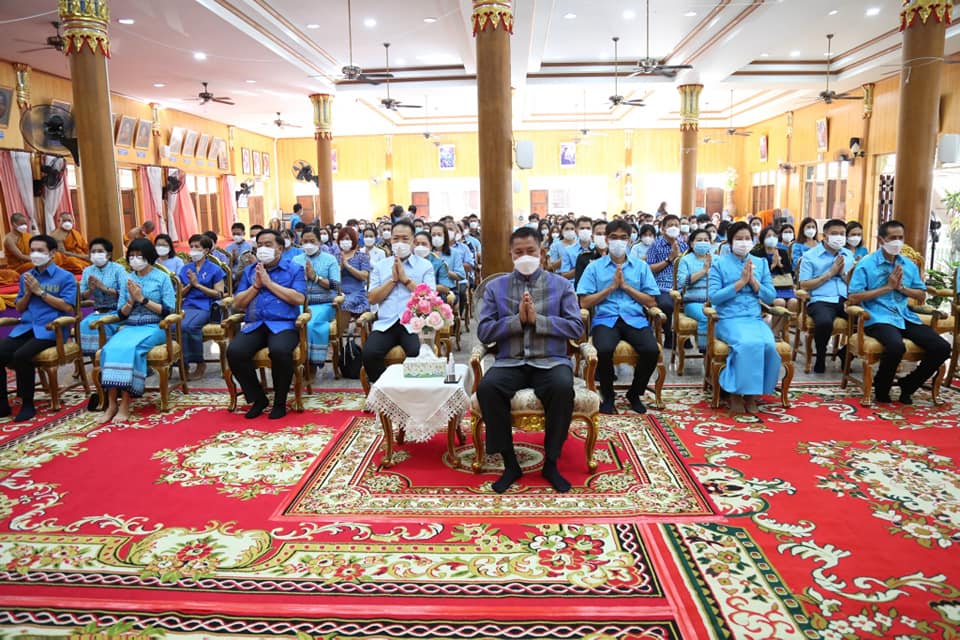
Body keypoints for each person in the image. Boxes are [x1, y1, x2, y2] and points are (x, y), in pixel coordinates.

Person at [476, 227, 585, 493]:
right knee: (488, 388)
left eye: (531, 251)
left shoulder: (561, 286)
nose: (525, 257)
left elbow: (576, 328)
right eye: (519, 252)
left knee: (562, 387)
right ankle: (510, 463)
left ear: (542, 253)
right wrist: (517, 321)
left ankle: (551, 462)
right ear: (511, 255)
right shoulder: (495, 288)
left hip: (550, 360)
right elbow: (484, 332)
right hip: (510, 361)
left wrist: (539, 321)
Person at [847, 220, 950, 404]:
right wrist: (887, 288)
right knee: (896, 346)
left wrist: (902, 288)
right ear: (881, 240)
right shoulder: (866, 264)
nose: (897, 242)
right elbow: (853, 297)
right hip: (877, 317)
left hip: (904, 315)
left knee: (942, 347)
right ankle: (882, 388)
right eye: (892, 238)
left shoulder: (908, 265)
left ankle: (909, 384)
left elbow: (921, 294)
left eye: (900, 238)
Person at [577, 220, 660, 414]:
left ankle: (634, 393)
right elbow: (584, 302)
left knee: (651, 350)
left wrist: (626, 287)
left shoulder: (641, 267)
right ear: (606, 239)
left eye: (623, 238)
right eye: (614, 237)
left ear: (630, 241)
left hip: (634, 318)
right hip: (606, 319)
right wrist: (611, 288)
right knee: (604, 349)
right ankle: (608, 395)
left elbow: (651, 301)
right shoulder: (594, 268)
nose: (618, 242)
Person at [226, 229, 307, 419]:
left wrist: (269, 283)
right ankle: (258, 398)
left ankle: (280, 402)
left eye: (268, 245)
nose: (263, 248)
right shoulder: (250, 271)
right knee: (235, 351)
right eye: (260, 245)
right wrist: (256, 286)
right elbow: (238, 303)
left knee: (279, 351)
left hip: (284, 324)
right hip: (255, 323)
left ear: (280, 248)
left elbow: (298, 298)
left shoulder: (294, 269)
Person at [98, 239, 177, 423]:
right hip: (131, 325)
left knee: (130, 350)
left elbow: (169, 311)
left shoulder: (162, 278)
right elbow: (120, 314)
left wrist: (142, 299)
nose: (134, 259)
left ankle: (125, 403)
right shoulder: (127, 279)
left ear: (148, 256)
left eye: (139, 256)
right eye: (131, 256)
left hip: (155, 326)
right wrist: (131, 302)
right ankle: (112, 404)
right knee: (109, 349)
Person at [0, 235, 76, 421]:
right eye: (32, 250)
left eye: (40, 250)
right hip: (26, 327)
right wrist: (27, 293)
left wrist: (40, 292)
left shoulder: (65, 277)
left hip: (50, 330)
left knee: (21, 356)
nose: (35, 254)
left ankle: (27, 404)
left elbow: (67, 307)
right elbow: (19, 308)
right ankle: (2, 404)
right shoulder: (26, 276)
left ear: (52, 253)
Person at [707, 221, 781, 414]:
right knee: (747, 344)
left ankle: (752, 395)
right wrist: (740, 283)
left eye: (747, 238)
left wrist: (754, 282)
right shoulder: (719, 264)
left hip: (754, 318)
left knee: (769, 346)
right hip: (729, 318)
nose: (743, 242)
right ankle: (735, 393)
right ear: (730, 242)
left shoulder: (761, 263)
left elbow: (770, 297)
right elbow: (714, 297)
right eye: (739, 238)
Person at [362, 220, 436, 384]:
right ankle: (385, 390)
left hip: (413, 324)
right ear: (390, 240)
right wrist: (393, 281)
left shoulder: (425, 266)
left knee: (417, 353)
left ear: (413, 241)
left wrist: (405, 280)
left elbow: (430, 298)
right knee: (369, 354)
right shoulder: (381, 266)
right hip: (386, 323)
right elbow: (372, 298)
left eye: (405, 239)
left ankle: (409, 391)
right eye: (396, 239)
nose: (400, 243)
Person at [798, 219, 855, 373]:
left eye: (842, 234)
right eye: (835, 233)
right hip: (820, 299)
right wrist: (830, 273)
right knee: (824, 322)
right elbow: (804, 284)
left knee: (868, 320)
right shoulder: (810, 256)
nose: (839, 237)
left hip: (845, 299)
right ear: (825, 236)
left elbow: (854, 284)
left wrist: (843, 274)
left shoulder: (848, 255)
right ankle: (820, 356)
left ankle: (846, 353)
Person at [293, 226, 340, 375]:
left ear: (319, 242)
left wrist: (315, 278)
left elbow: (335, 285)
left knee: (309, 323)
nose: (308, 244)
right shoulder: (296, 260)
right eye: (305, 241)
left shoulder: (330, 259)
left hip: (324, 303)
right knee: (290, 323)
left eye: (312, 241)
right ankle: (295, 362)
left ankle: (310, 364)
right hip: (300, 303)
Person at [179, 234, 226, 380]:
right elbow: (179, 294)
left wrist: (198, 285)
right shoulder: (185, 268)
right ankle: (183, 364)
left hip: (205, 306)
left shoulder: (215, 269)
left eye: (197, 247)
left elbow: (219, 294)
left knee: (188, 326)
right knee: (174, 326)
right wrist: (190, 285)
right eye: (191, 246)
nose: (193, 250)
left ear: (206, 250)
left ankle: (199, 363)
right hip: (187, 305)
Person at [79, 237, 128, 357]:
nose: (96, 254)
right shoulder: (87, 271)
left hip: (117, 310)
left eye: (100, 251)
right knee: (85, 324)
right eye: (93, 252)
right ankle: (96, 358)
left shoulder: (118, 269)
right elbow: (81, 296)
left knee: (103, 324)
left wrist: (104, 288)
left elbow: (125, 293)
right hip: (98, 311)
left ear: (109, 254)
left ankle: (108, 356)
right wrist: (90, 290)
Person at [646, 214, 688, 348]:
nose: (674, 228)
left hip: (683, 283)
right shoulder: (655, 246)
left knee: (693, 301)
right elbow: (650, 268)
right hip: (662, 285)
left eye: (676, 225)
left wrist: (679, 257)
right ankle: (670, 336)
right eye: (670, 225)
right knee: (666, 304)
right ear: (663, 228)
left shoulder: (684, 245)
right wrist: (669, 259)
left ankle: (685, 336)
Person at [752, 226, 798, 330]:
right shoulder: (756, 253)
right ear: (763, 238)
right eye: (769, 236)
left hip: (783, 286)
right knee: (780, 302)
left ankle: (775, 332)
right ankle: (773, 332)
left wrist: (780, 264)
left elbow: (789, 273)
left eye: (774, 236)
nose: (772, 238)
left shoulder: (782, 252)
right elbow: (757, 274)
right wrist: (772, 265)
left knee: (793, 302)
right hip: (766, 287)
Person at [676, 229, 712, 351]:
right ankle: (705, 350)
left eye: (706, 240)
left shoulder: (717, 259)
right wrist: (703, 271)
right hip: (693, 302)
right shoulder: (686, 260)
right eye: (699, 240)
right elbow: (682, 282)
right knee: (707, 317)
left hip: (714, 301)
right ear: (692, 243)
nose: (703, 243)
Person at [427, 224, 465, 307]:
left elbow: (461, 276)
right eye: (433, 235)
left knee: (442, 301)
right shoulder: (427, 253)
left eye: (439, 235)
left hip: (448, 290)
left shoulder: (454, 253)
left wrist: (446, 270)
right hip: (429, 289)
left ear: (445, 236)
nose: (436, 237)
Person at [337, 227, 371, 315]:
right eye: (342, 239)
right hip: (338, 292)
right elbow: (332, 278)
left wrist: (348, 266)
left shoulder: (362, 256)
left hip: (356, 292)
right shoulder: (335, 257)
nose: (344, 241)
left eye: (347, 239)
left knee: (345, 304)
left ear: (353, 240)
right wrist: (340, 267)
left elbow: (364, 276)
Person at [574, 219, 608, 288]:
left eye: (605, 234)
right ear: (592, 237)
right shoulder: (583, 257)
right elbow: (579, 285)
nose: (602, 237)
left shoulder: (617, 257)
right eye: (598, 234)